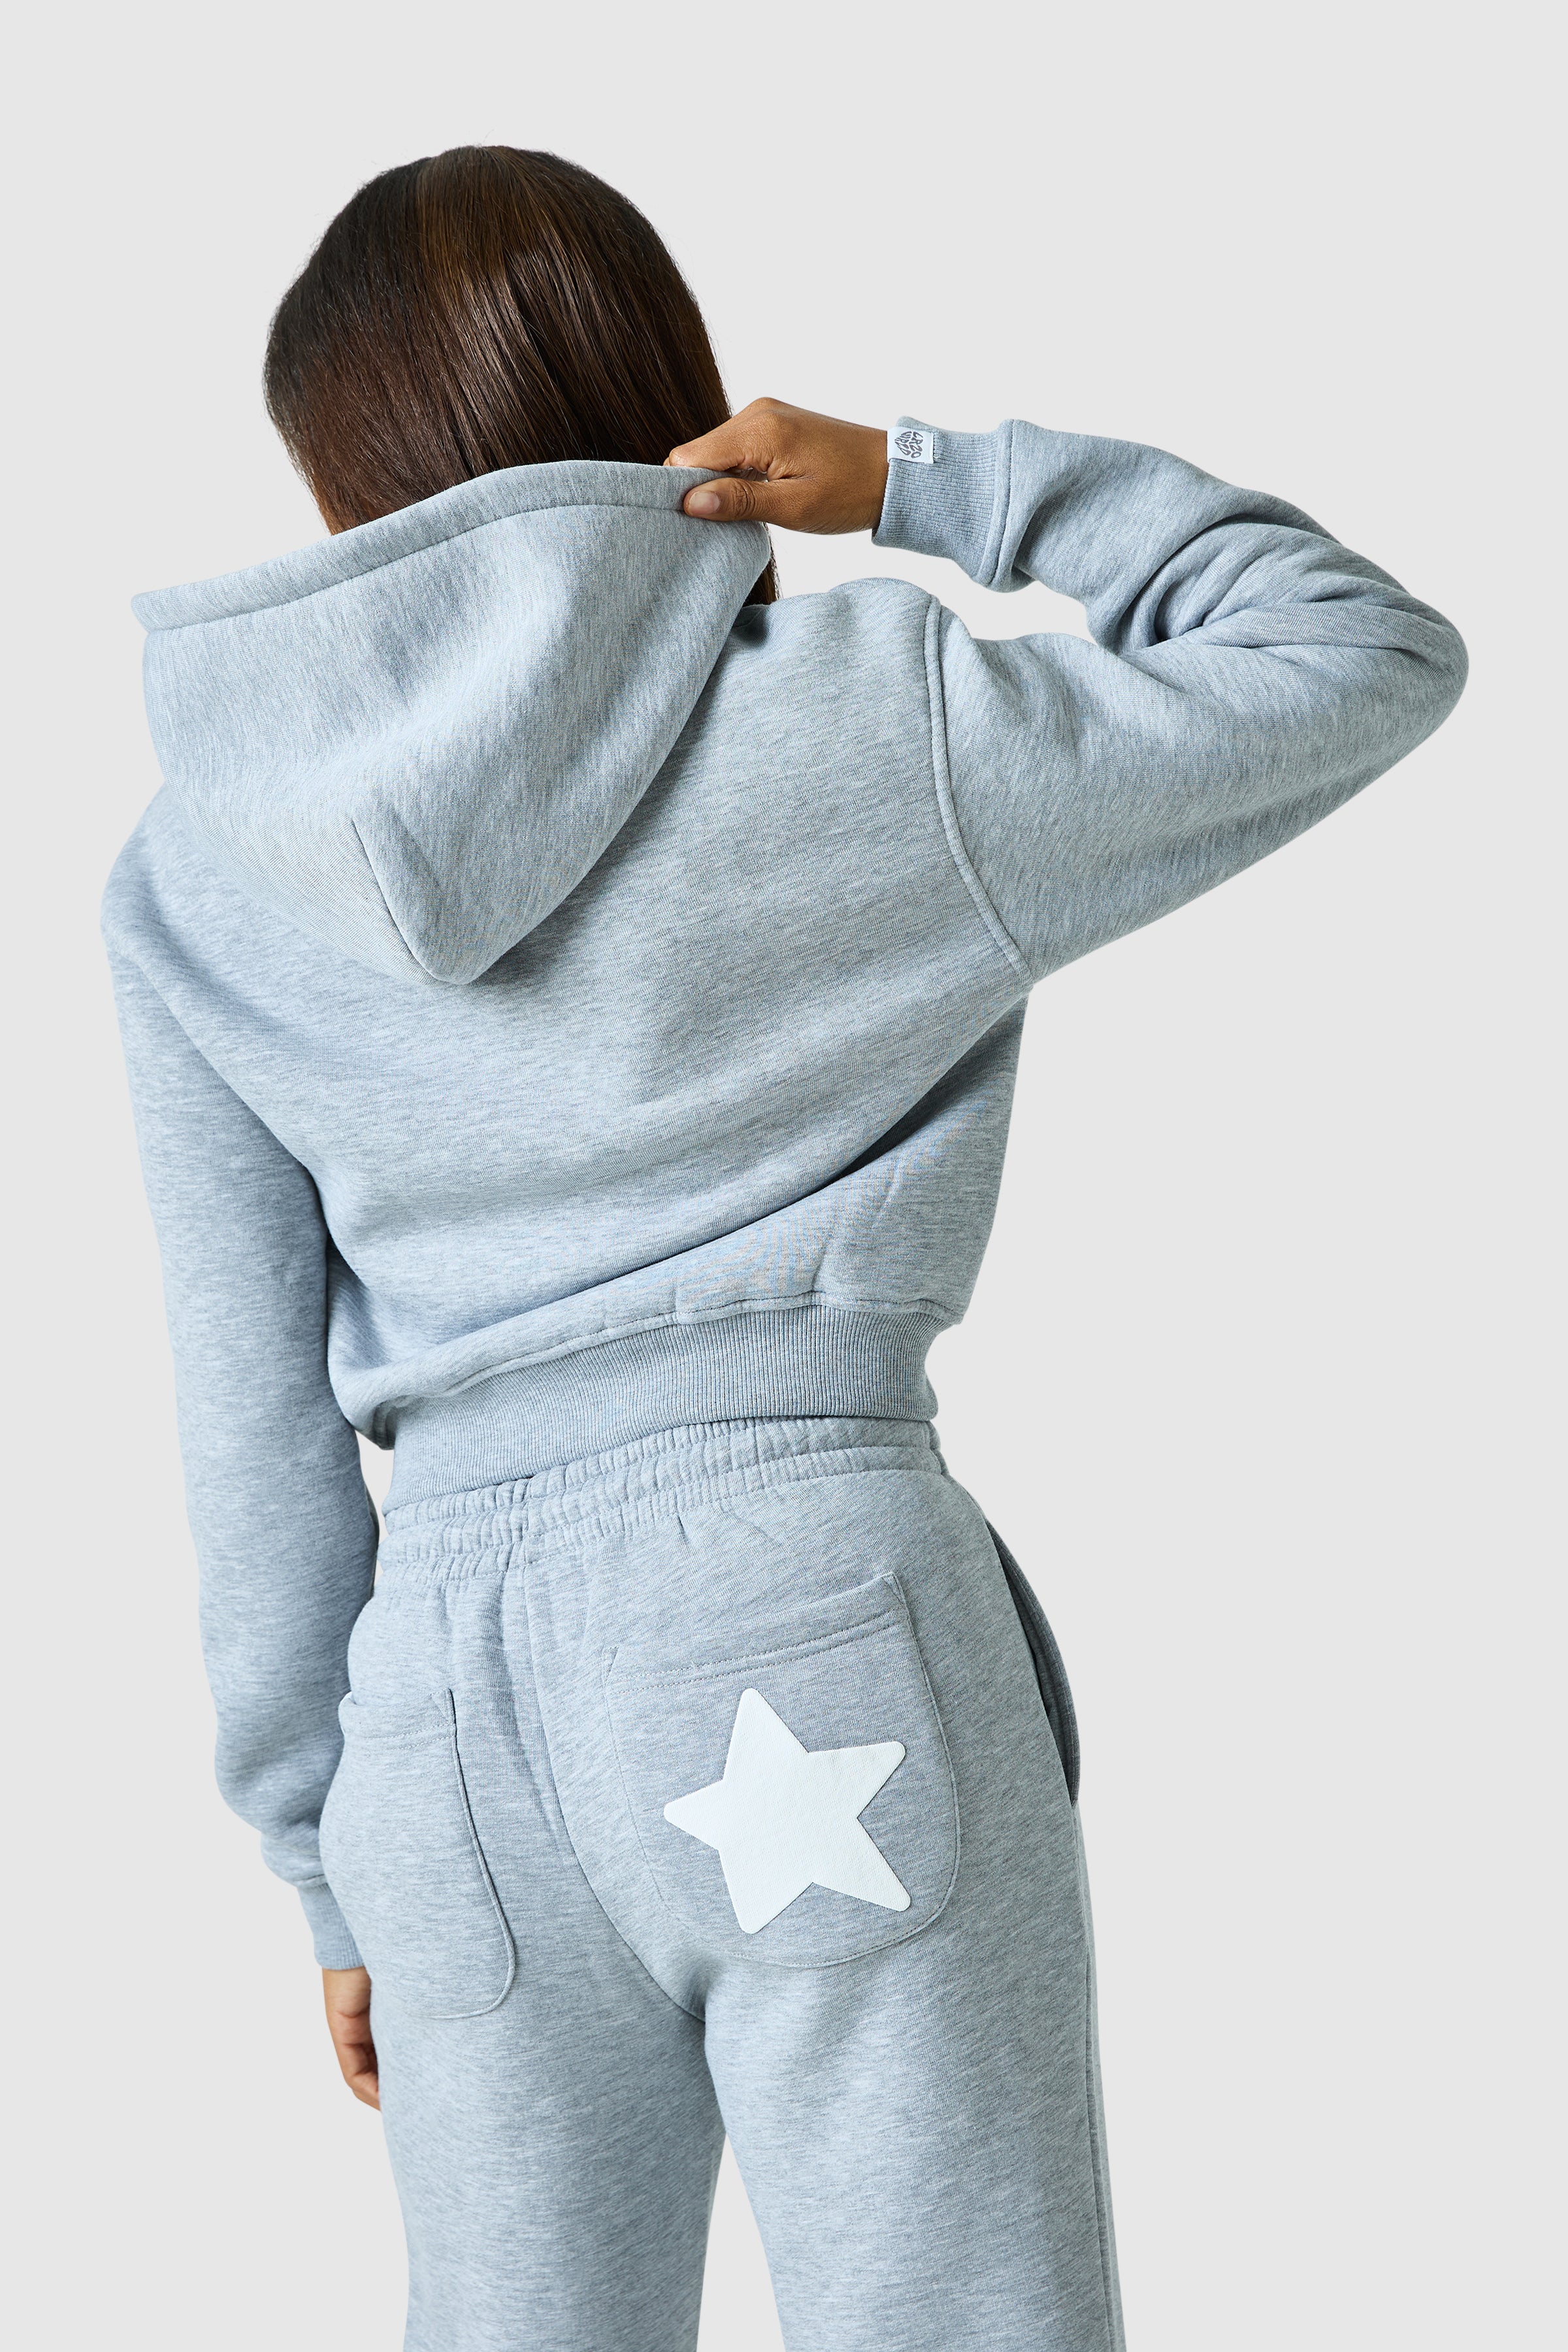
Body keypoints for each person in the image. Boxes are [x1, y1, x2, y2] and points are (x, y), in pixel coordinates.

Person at [103, 144, 1465, 2352]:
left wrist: (326, 1858)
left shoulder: (198, 881)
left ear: (345, 488)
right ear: (681, 403)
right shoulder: (868, 724)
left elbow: (242, 1421)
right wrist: (922, 481)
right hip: (806, 1628)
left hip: (438, 1735)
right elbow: (1358, 648)